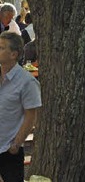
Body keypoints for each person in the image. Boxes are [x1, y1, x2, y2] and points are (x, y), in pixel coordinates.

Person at [0, 32, 41, 182]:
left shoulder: (27, 82)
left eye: (1, 48)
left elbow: (31, 116)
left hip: (9, 151)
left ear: (13, 54)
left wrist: (16, 144)